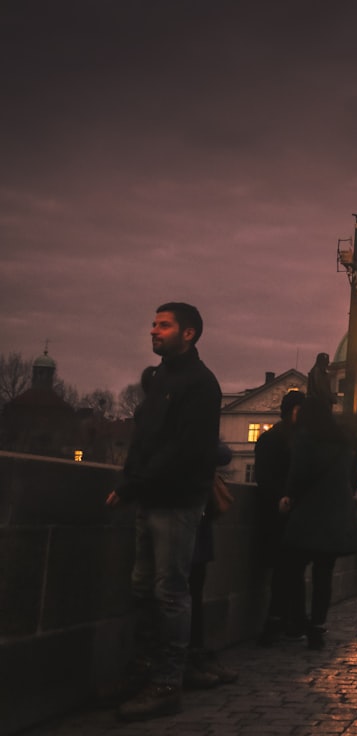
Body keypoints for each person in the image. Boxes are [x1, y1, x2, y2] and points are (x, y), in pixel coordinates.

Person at [105, 302, 221, 721]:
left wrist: (134, 483)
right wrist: (133, 480)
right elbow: (146, 439)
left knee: (171, 592)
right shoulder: (160, 380)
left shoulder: (201, 383)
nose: (154, 331)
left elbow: (185, 449)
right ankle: (144, 667)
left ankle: (168, 682)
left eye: (164, 325)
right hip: (150, 498)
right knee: (142, 588)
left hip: (176, 501)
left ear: (188, 333)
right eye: (154, 324)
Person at [279, 396, 357, 648]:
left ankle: (297, 621)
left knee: (292, 568)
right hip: (336, 516)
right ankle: (317, 625)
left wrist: (289, 495)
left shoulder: (306, 438)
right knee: (323, 574)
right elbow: (354, 477)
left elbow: (298, 472)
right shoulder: (343, 442)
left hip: (308, 514)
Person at [184, 442, 239, 689]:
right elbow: (221, 453)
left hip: (196, 521)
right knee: (186, 595)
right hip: (187, 518)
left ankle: (194, 654)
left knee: (192, 594)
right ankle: (189, 658)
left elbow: (223, 454)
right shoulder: (184, 423)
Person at [254, 389, 307, 646]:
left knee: (290, 571)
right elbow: (266, 480)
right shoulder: (278, 440)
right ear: (294, 412)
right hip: (281, 515)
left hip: (287, 515)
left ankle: (290, 620)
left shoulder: (278, 439)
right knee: (287, 571)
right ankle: (282, 621)